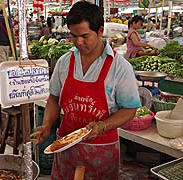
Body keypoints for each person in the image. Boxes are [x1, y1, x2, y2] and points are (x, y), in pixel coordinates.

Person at [33, 1, 141, 179]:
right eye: (74, 36)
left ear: (100, 31)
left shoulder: (119, 67)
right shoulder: (64, 62)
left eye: (84, 36)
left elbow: (130, 109)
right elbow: (53, 98)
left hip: (102, 151)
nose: (78, 42)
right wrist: (47, 124)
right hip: (66, 147)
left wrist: (102, 126)